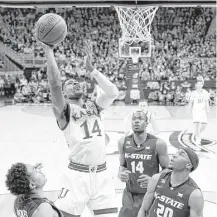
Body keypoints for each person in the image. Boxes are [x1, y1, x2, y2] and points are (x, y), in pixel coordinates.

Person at [42, 41, 119, 217]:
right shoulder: (65, 111)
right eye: (69, 83)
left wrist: (92, 70)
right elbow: (54, 83)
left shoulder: (95, 106)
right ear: (64, 92)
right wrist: (49, 52)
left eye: (77, 82)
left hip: (102, 174)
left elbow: (113, 93)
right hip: (77, 175)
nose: (75, 84)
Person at [118, 110, 169, 217]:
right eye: (134, 119)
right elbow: (122, 165)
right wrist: (121, 174)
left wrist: (154, 180)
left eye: (140, 119)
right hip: (130, 194)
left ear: (146, 123)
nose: (136, 122)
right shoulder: (123, 142)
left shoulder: (158, 143)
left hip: (150, 194)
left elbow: (167, 170)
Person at [138, 147, 204, 217]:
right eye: (176, 153)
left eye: (181, 154)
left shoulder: (194, 194)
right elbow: (143, 209)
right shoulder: (156, 179)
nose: (174, 155)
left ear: (189, 165)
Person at [188, 79, 210, 145]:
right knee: (196, 124)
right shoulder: (193, 93)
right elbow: (191, 102)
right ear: (196, 85)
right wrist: (189, 109)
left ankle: (197, 133)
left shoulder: (205, 92)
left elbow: (206, 102)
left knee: (204, 124)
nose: (199, 85)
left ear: (202, 85)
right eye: (198, 84)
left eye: (201, 84)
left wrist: (207, 109)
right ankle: (198, 138)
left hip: (203, 110)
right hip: (195, 110)